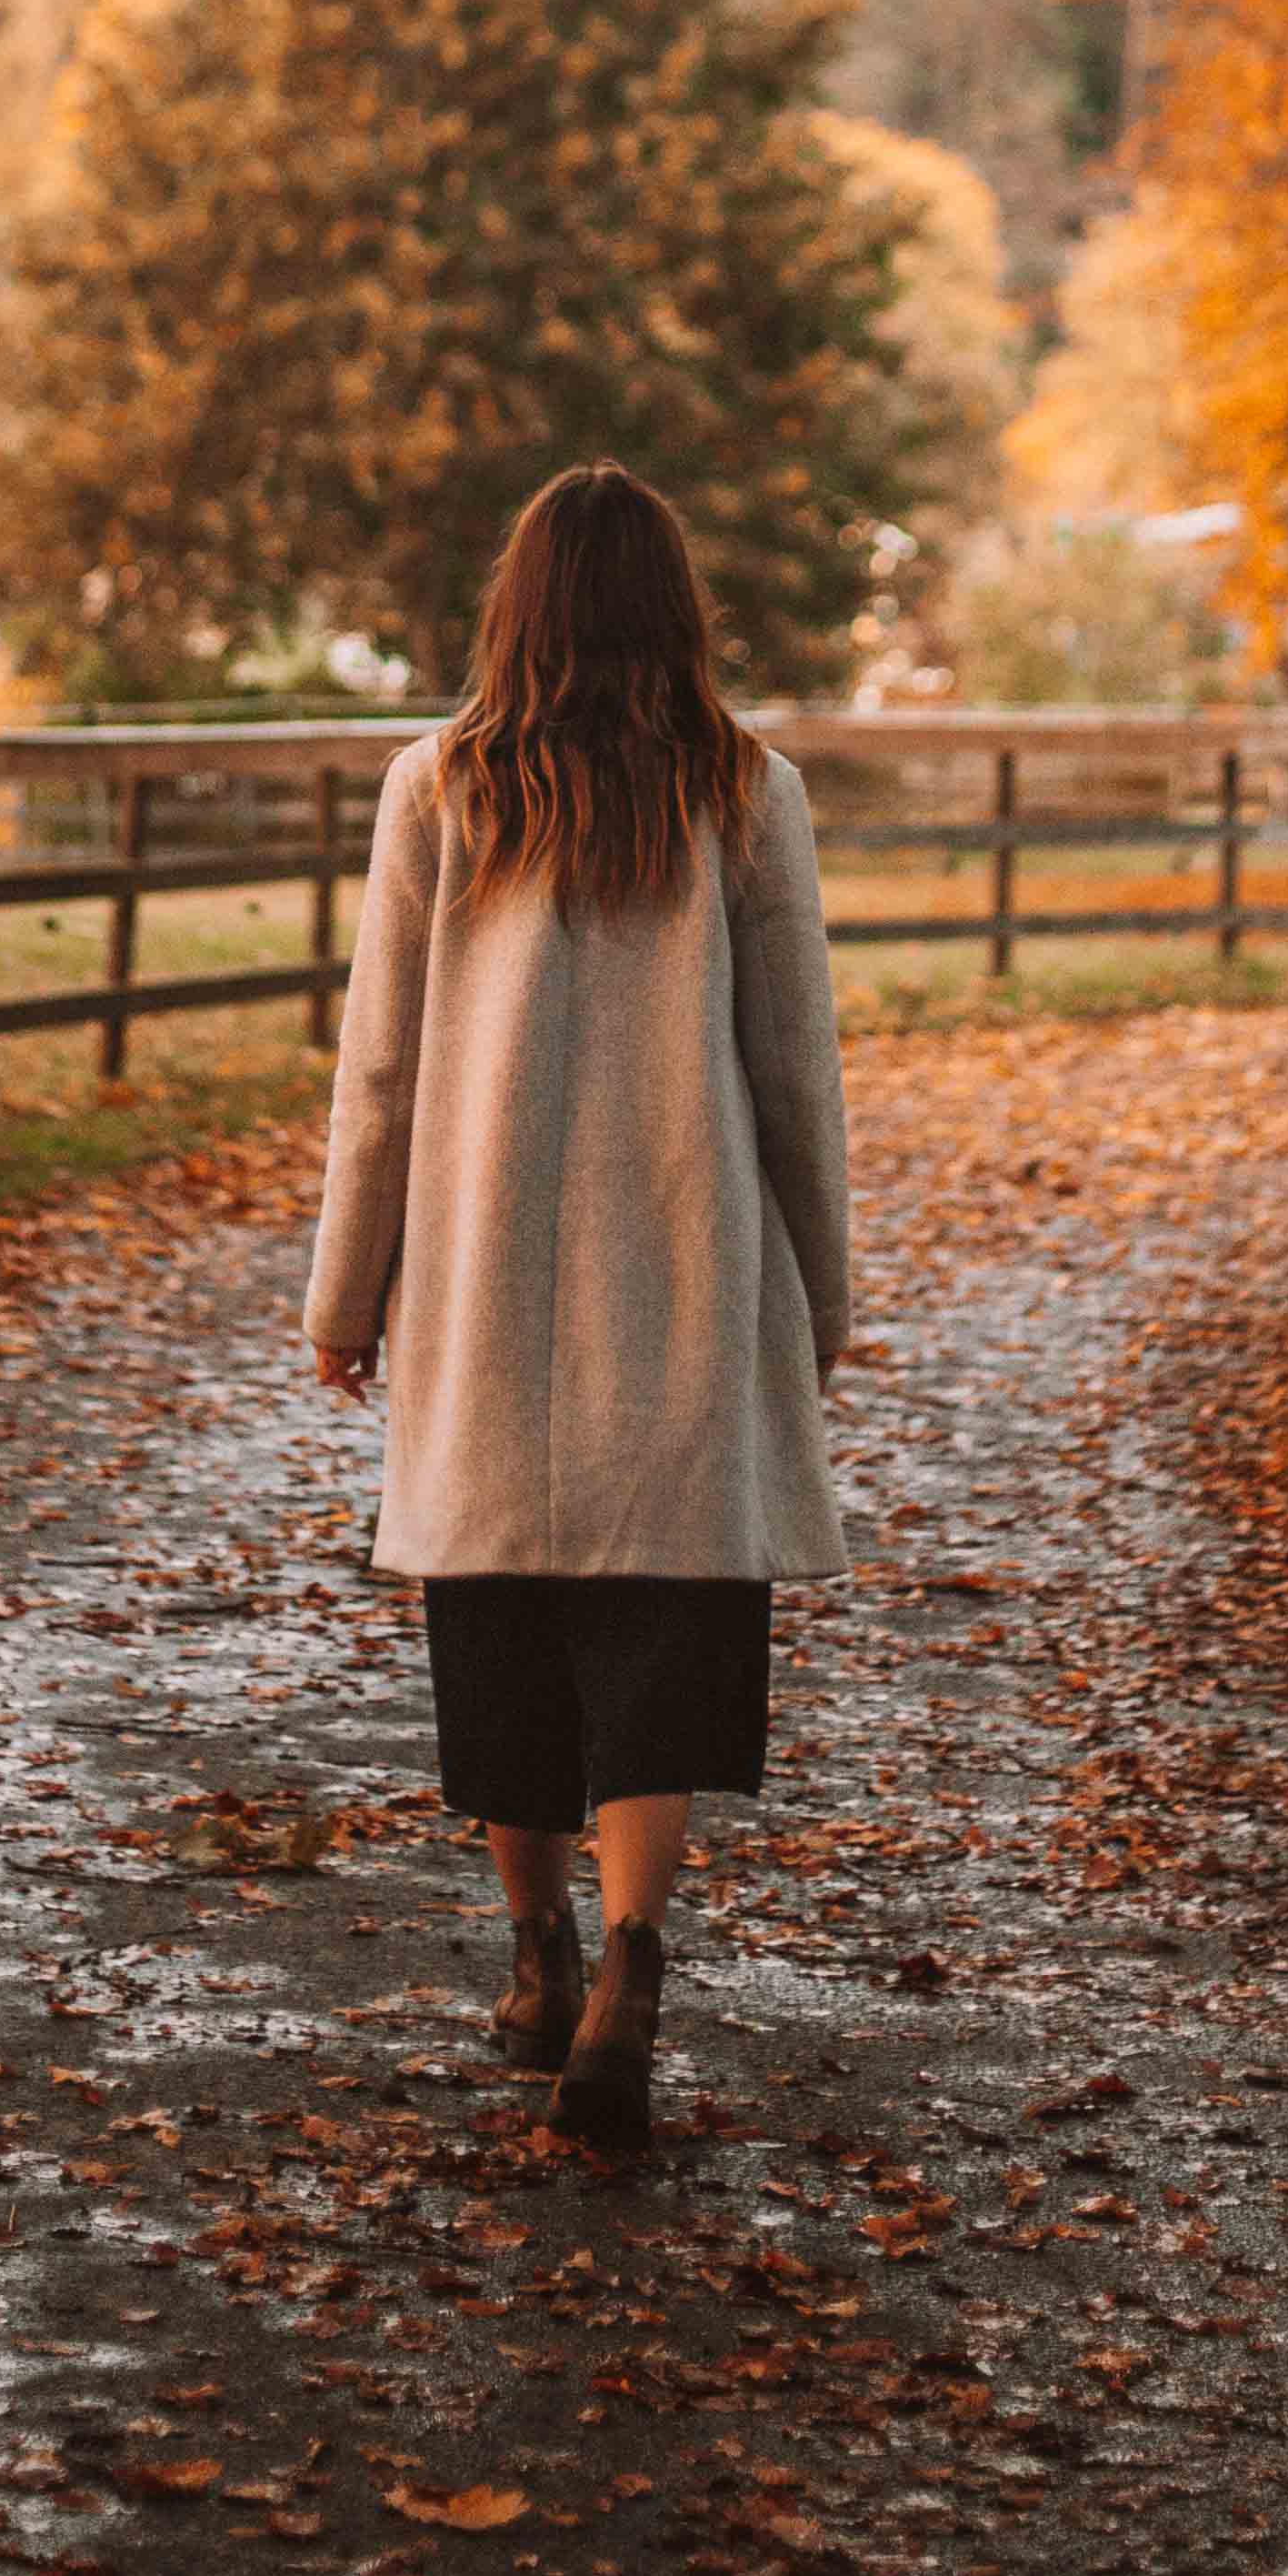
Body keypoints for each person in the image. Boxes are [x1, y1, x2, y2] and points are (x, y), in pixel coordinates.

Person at [303, 461, 854, 2148]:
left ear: (518, 606)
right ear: (675, 609)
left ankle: (534, 1958)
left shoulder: (440, 789)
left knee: (502, 1631)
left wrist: (349, 1290)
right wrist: (817, 1297)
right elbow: (795, 1074)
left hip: (483, 1289)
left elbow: (380, 1072)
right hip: (684, 1277)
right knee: (661, 1638)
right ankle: (628, 1965)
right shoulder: (744, 792)